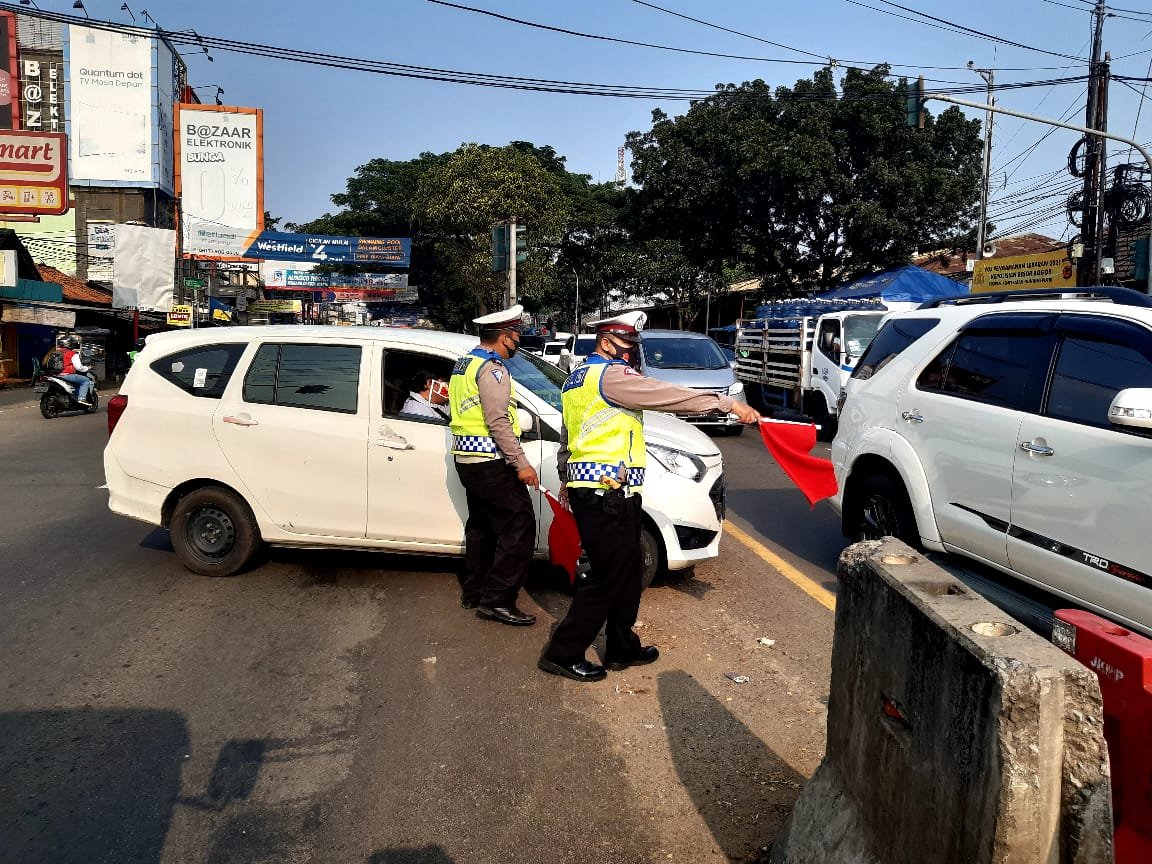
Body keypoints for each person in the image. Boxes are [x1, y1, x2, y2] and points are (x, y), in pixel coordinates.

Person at [538, 312, 762, 682]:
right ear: (606, 342)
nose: (630, 354)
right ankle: (563, 652)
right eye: (626, 346)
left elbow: (568, 437)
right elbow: (665, 395)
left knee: (627, 573)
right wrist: (724, 403)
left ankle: (621, 646)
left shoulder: (577, 379)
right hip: (604, 493)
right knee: (607, 576)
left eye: (632, 347)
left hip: (610, 491)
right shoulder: (610, 376)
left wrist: (566, 477)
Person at [449, 303, 540, 626]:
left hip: (467, 459)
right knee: (520, 525)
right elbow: (498, 421)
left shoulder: (465, 363)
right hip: (491, 460)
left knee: (482, 526)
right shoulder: (492, 368)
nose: (518, 341)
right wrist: (521, 464)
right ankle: (498, 599)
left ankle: (475, 591)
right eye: (516, 335)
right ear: (505, 337)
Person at [59, 336, 94, 406]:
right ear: (69, 344)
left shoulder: (57, 352)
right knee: (85, 380)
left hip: (56, 375)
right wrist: (87, 368)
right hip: (67, 375)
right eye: (73, 343)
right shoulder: (72, 354)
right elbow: (79, 368)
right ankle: (82, 398)